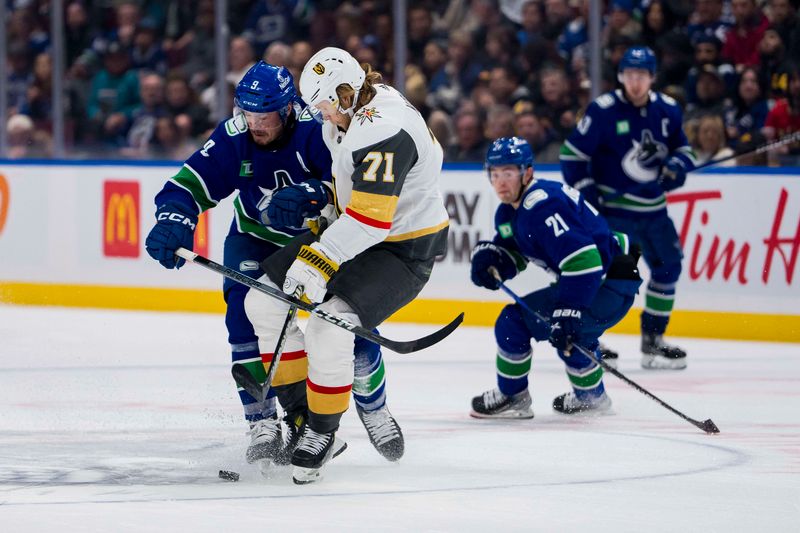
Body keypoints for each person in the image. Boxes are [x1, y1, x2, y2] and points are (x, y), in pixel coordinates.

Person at [144, 60, 404, 474]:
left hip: (323, 242)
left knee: (346, 322)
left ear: (286, 109)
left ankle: (373, 405)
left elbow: (357, 193)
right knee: (244, 317)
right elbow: (186, 186)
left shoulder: (318, 129)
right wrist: (175, 216)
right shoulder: (234, 136)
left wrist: (317, 193)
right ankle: (264, 423)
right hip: (256, 239)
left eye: (263, 116)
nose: (254, 124)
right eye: (247, 114)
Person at [244, 47, 450, 484]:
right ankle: (303, 413)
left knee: (328, 326)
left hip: (402, 249)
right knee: (261, 303)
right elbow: (353, 197)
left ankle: (322, 432)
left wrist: (318, 261)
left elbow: (373, 220)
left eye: (322, 105)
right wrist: (320, 206)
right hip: (354, 230)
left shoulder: (384, 128)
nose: (319, 114)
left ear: (344, 93)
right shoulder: (348, 114)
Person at [470, 137, 641, 418]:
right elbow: (518, 252)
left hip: (604, 284)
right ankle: (591, 398)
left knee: (518, 324)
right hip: (603, 282)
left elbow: (584, 259)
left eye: (509, 173)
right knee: (574, 337)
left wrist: (569, 310)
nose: (501, 181)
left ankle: (514, 397)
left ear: (527, 173)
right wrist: (495, 262)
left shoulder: (541, 206)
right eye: (495, 173)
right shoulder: (510, 211)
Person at [560, 46, 696, 370]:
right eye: (630, 75)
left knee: (668, 269)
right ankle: (589, 337)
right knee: (608, 274)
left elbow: (684, 149)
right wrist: (588, 194)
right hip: (616, 213)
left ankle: (653, 341)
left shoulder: (668, 110)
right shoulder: (603, 111)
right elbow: (572, 157)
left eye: (642, 75)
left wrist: (677, 166)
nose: (636, 82)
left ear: (652, 77)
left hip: (655, 212)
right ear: (622, 76)